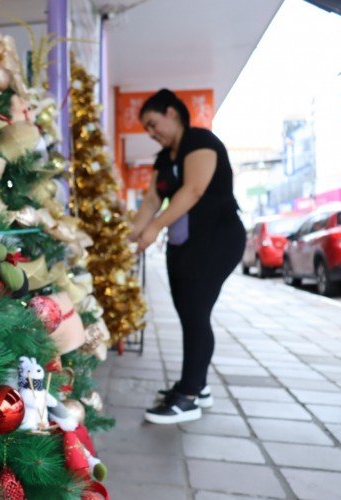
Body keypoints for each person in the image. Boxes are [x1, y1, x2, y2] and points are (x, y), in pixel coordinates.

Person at [130, 89, 245, 424]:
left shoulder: (200, 141)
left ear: (172, 112)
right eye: (147, 129)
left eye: (153, 123)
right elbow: (151, 201)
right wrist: (132, 234)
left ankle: (189, 398)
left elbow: (193, 189)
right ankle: (197, 385)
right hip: (186, 245)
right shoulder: (164, 159)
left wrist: (154, 228)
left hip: (217, 239)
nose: (152, 133)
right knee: (189, 313)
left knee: (196, 313)